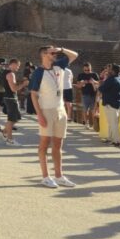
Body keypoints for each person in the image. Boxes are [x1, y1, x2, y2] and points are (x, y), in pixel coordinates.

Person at [30, 45, 79, 189]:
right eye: (51, 53)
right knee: (44, 144)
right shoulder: (38, 73)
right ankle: (45, 177)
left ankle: (59, 176)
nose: (55, 54)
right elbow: (33, 94)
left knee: (58, 145)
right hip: (46, 110)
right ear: (44, 55)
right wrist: (39, 115)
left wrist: (61, 49)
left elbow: (74, 55)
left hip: (60, 110)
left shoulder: (59, 66)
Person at [99, 65, 120, 147]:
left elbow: (101, 89)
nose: (108, 71)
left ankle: (117, 141)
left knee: (113, 124)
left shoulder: (111, 79)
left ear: (113, 71)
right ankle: (110, 138)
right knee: (112, 123)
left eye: (109, 69)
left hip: (111, 104)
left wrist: (101, 84)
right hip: (118, 104)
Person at [0, 59, 24, 146]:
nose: (18, 67)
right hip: (11, 98)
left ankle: (4, 132)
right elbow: (14, 89)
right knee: (12, 119)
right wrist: (23, 84)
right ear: (12, 64)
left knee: (16, 117)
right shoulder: (11, 74)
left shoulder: (4, 72)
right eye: (17, 65)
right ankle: (10, 139)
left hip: (8, 98)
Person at [76, 63, 100, 129]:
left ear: (91, 68)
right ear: (83, 69)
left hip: (94, 95)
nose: (87, 71)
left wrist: (93, 81)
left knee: (93, 111)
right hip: (85, 94)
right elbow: (78, 85)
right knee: (85, 109)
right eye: (85, 70)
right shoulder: (80, 75)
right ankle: (86, 124)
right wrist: (83, 82)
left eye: (88, 70)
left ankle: (94, 125)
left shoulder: (94, 74)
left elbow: (99, 83)